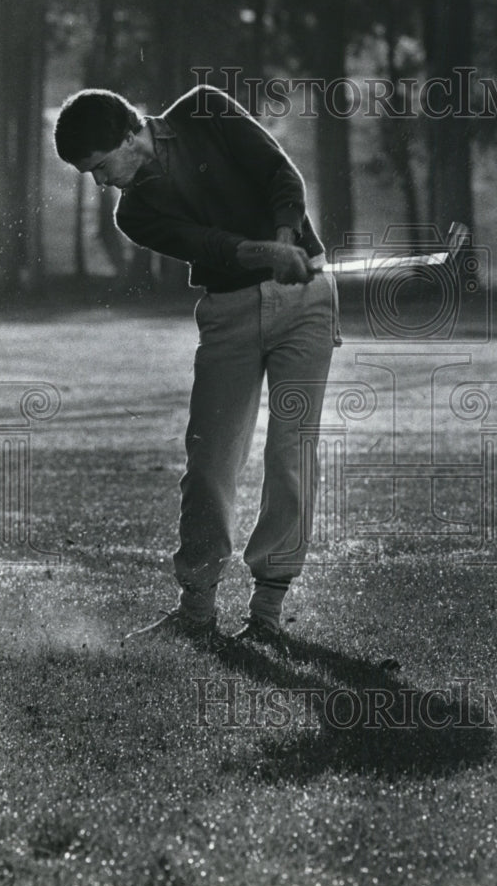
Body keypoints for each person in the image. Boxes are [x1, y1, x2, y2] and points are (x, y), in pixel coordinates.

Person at [54, 83, 340, 645]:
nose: (101, 182)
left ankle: (266, 612)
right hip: (228, 314)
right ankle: (196, 610)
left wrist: (286, 238)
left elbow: (281, 175)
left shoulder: (203, 107)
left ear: (129, 135)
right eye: (90, 175)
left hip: (305, 304)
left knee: (291, 452)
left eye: (101, 166)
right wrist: (265, 253)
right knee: (210, 459)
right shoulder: (133, 214)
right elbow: (206, 243)